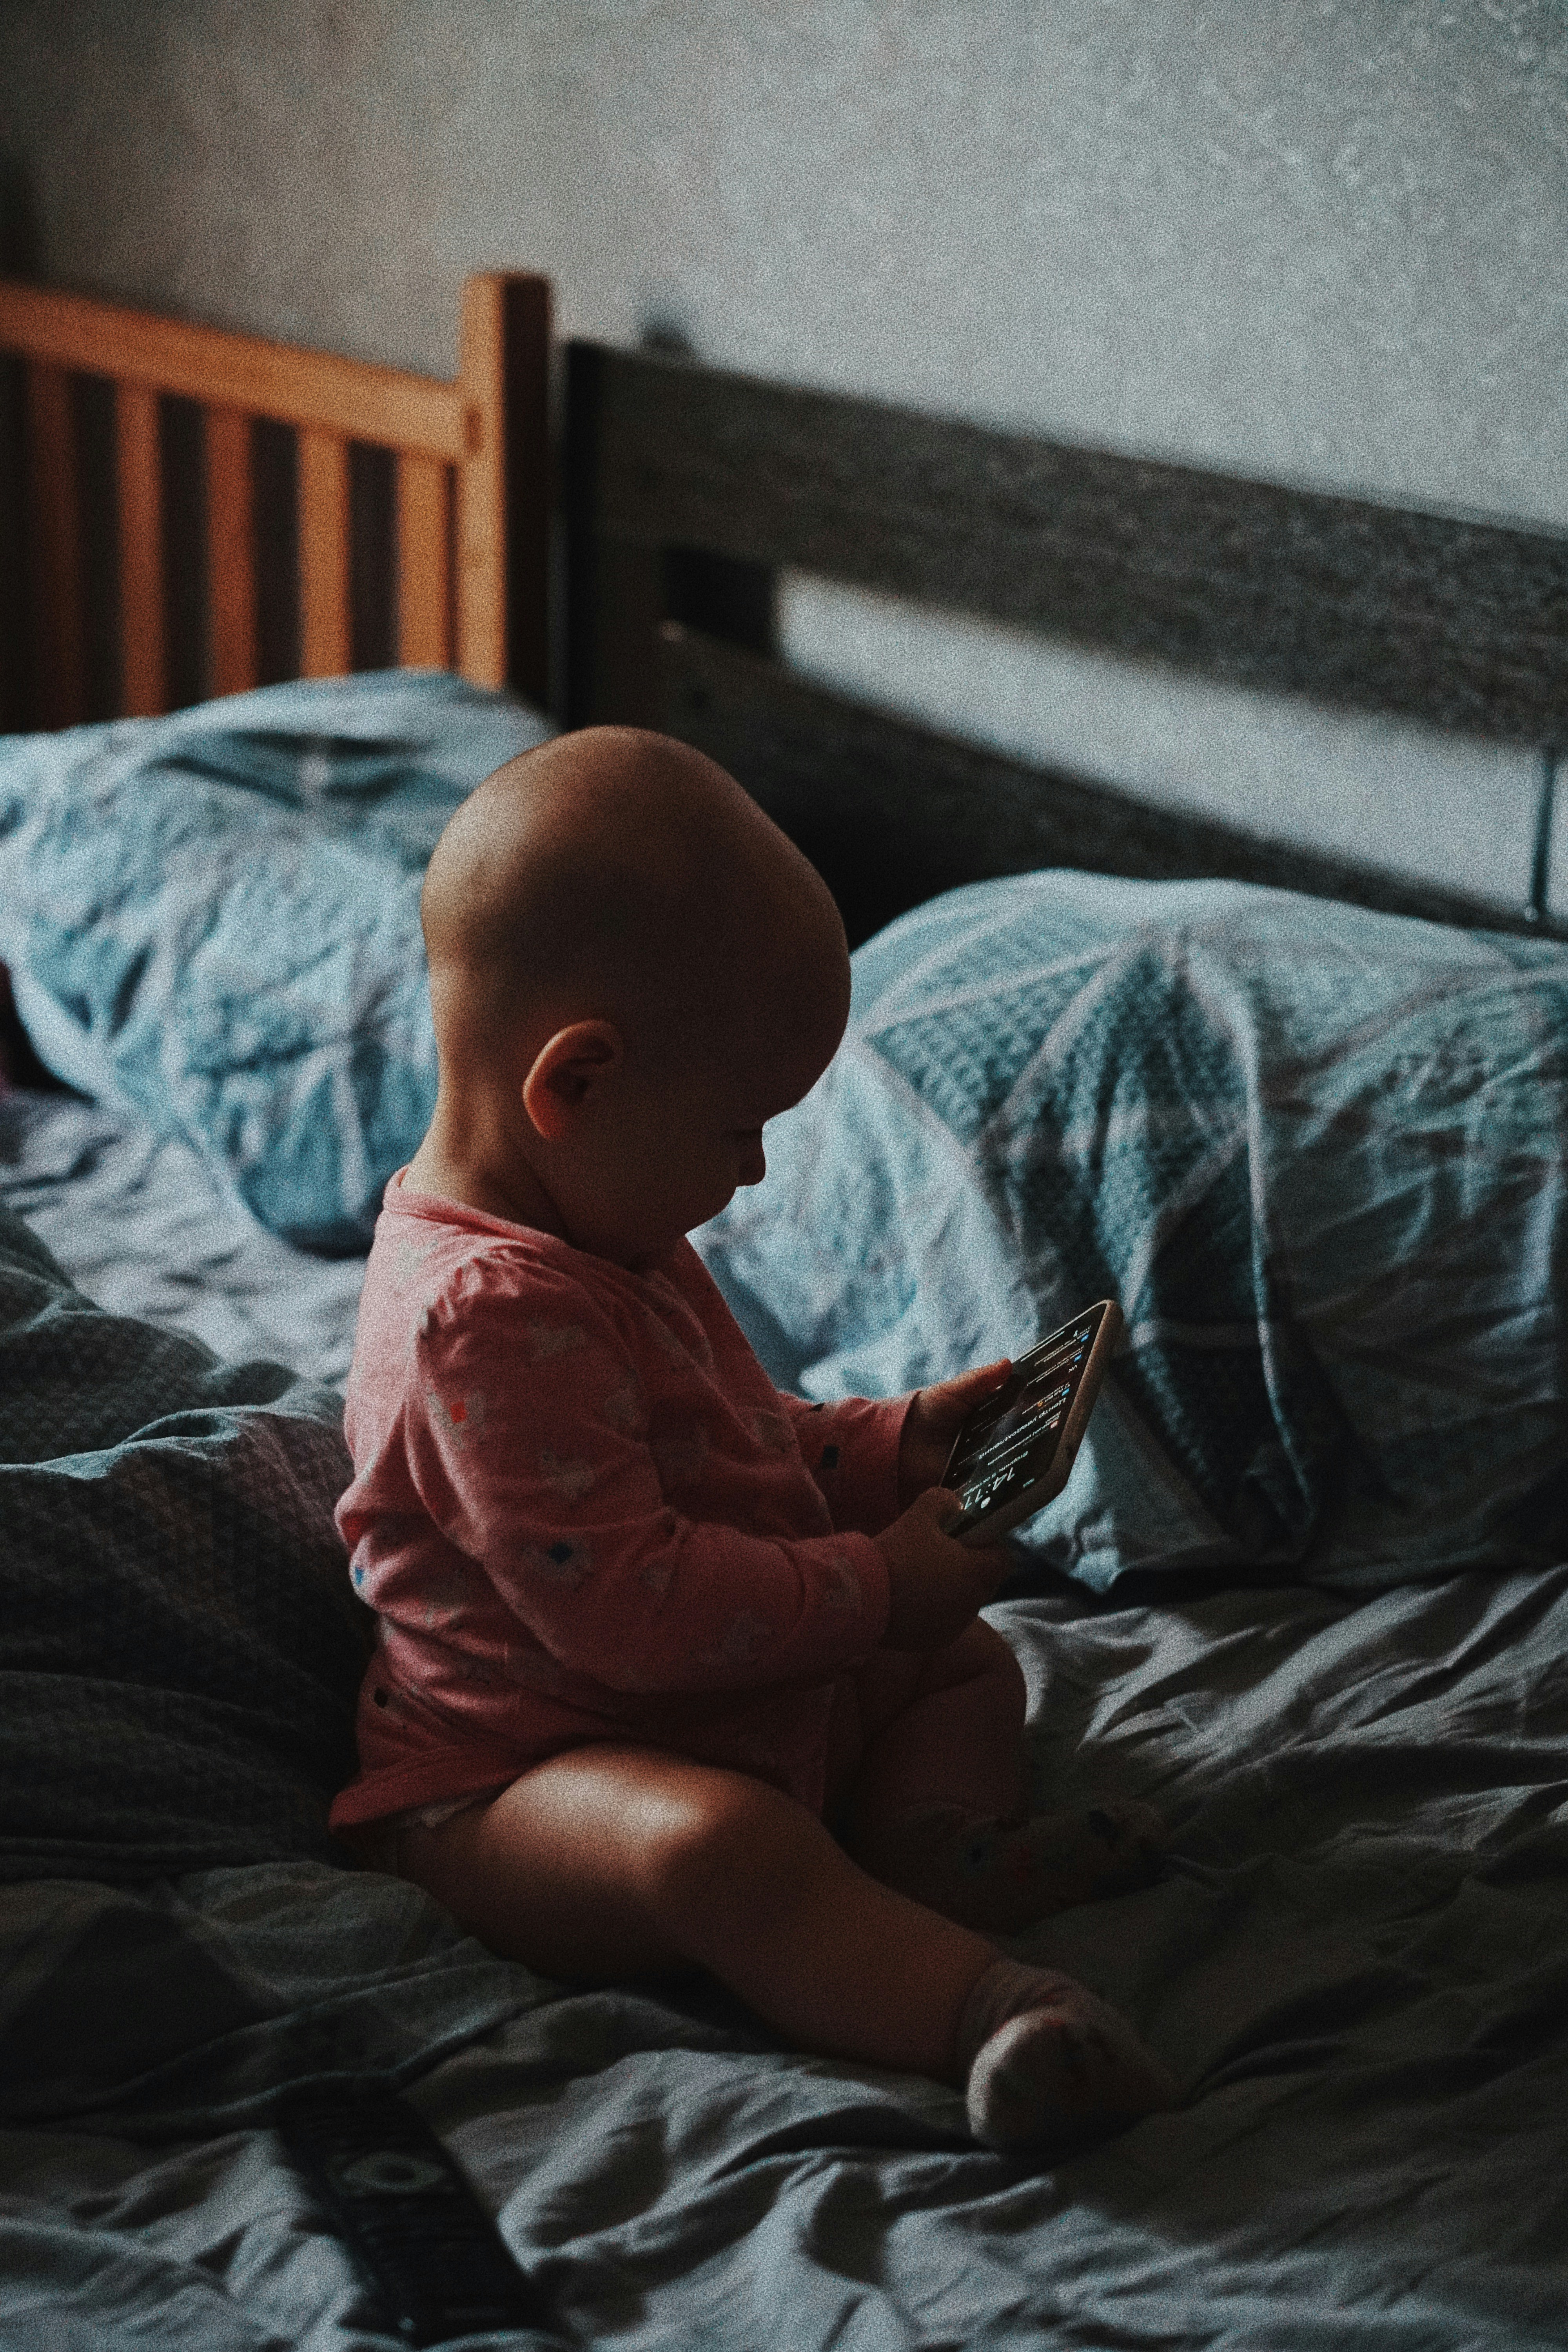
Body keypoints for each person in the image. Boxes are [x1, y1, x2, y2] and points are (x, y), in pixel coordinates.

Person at [329, 725, 1176, 2157]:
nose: (758, 1166)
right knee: (715, 1846)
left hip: (710, 1699)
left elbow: (727, 1441)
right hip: (524, 1782)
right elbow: (630, 1611)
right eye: (742, 1123)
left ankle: (924, 1859)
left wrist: (892, 1444)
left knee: (961, 1666)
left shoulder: (601, 1225)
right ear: (574, 1083)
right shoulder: (476, 1315)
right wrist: (880, 1586)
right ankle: (994, 2013)